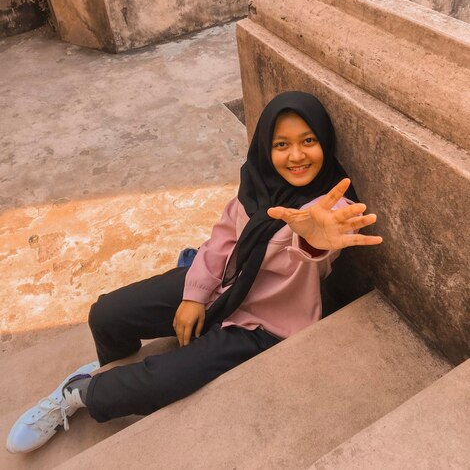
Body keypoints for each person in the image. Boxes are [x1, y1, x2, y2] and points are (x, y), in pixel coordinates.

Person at [7, 91, 382, 454]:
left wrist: (314, 239)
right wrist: (194, 293)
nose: (296, 155)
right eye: (281, 144)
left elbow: (322, 246)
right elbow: (222, 237)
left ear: (325, 143)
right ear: (265, 149)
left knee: (162, 381)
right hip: (221, 285)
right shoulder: (257, 184)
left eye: (309, 140)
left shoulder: (331, 208)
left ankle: (82, 392)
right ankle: (114, 363)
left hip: (262, 324)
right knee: (105, 313)